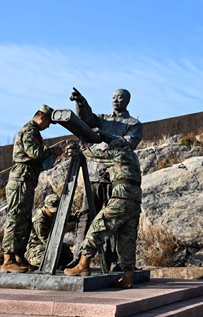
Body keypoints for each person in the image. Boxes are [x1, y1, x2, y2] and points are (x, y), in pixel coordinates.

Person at [67, 87, 142, 269]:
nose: (116, 100)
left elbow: (128, 143)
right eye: (114, 97)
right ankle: (79, 257)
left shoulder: (133, 123)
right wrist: (81, 103)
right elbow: (86, 120)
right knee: (85, 216)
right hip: (94, 174)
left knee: (115, 221)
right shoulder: (102, 119)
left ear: (127, 101)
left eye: (120, 97)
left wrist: (104, 135)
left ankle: (112, 260)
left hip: (114, 179)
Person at [63, 137, 141, 288]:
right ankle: (128, 277)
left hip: (121, 199)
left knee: (98, 227)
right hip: (135, 202)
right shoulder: (133, 158)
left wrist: (83, 149)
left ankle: (83, 265)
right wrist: (111, 171)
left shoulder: (119, 153)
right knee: (127, 239)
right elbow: (124, 173)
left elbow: (97, 155)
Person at [1, 104, 63, 273]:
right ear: (42, 117)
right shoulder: (30, 131)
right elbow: (34, 152)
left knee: (24, 219)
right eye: (48, 122)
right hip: (21, 179)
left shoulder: (34, 131)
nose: (48, 126)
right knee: (15, 218)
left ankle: (19, 258)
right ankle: (8, 260)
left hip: (27, 179)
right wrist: (52, 151)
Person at [25, 193, 73, 269]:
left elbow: (70, 216)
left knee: (69, 258)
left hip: (53, 246)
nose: (54, 214)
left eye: (56, 211)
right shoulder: (39, 221)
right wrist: (66, 247)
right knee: (44, 259)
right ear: (45, 208)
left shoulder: (56, 214)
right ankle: (30, 260)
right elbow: (47, 241)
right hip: (36, 247)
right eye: (52, 212)